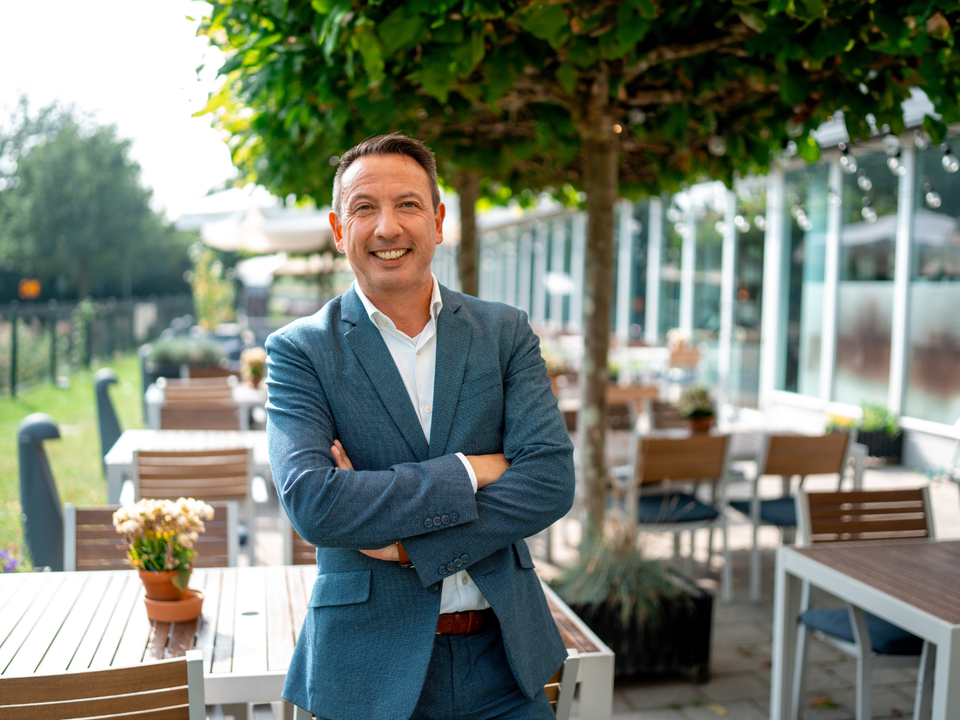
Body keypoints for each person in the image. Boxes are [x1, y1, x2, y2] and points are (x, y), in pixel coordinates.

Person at [265, 133, 575, 720]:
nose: (387, 228)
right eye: (364, 208)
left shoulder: (504, 331)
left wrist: (407, 548)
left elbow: (551, 480)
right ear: (338, 229)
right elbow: (315, 503)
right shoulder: (300, 351)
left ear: (437, 221)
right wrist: (471, 470)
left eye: (407, 205)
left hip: (505, 660)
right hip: (365, 667)